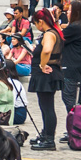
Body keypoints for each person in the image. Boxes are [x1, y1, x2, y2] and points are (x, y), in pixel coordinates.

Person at [27, 9, 64, 151]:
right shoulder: (55, 32)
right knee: (45, 107)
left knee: (47, 108)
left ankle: (49, 139)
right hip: (49, 73)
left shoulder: (49, 34)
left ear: (41, 22)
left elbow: (47, 50)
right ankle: (45, 134)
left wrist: (42, 65)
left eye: (36, 23)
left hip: (46, 74)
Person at [58, 0, 81, 120]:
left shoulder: (75, 27)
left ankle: (75, 126)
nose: (67, 12)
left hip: (73, 66)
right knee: (76, 97)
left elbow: (58, 37)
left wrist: (54, 20)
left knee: (69, 97)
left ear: (76, 12)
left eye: (70, 10)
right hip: (78, 64)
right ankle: (80, 124)